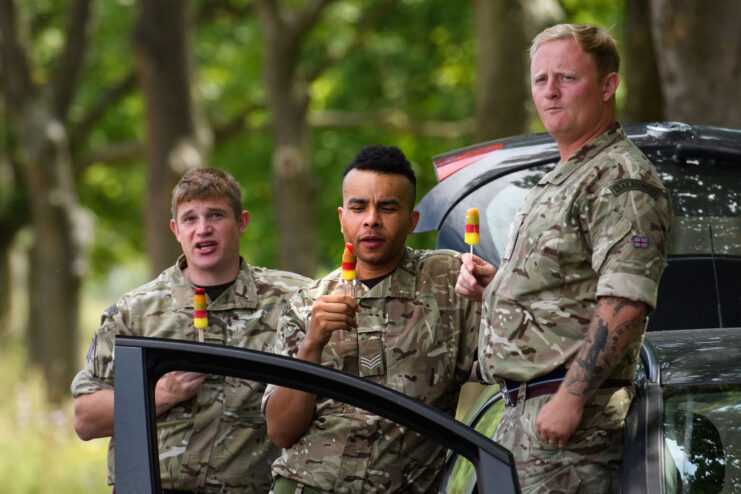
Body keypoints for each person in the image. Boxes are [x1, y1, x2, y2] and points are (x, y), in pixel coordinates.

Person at [456, 24, 673, 492]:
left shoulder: (621, 178)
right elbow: (567, 290)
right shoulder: (567, 174)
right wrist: (498, 286)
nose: (550, 92)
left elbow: (626, 302)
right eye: (540, 80)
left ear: (608, 85)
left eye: (567, 78)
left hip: (570, 428)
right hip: (523, 419)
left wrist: (572, 397)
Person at [71, 168, 309, 493]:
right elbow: (85, 419)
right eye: (190, 219)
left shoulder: (292, 300)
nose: (203, 230)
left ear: (242, 222)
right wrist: (158, 395)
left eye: (216, 215)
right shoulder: (135, 311)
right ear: (175, 230)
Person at [263, 145, 479, 493]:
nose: (371, 220)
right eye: (358, 207)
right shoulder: (308, 303)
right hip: (307, 484)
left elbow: (507, 362)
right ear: (341, 218)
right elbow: (281, 431)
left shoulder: (449, 281)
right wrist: (312, 345)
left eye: (388, 207)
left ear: (412, 222)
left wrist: (494, 292)